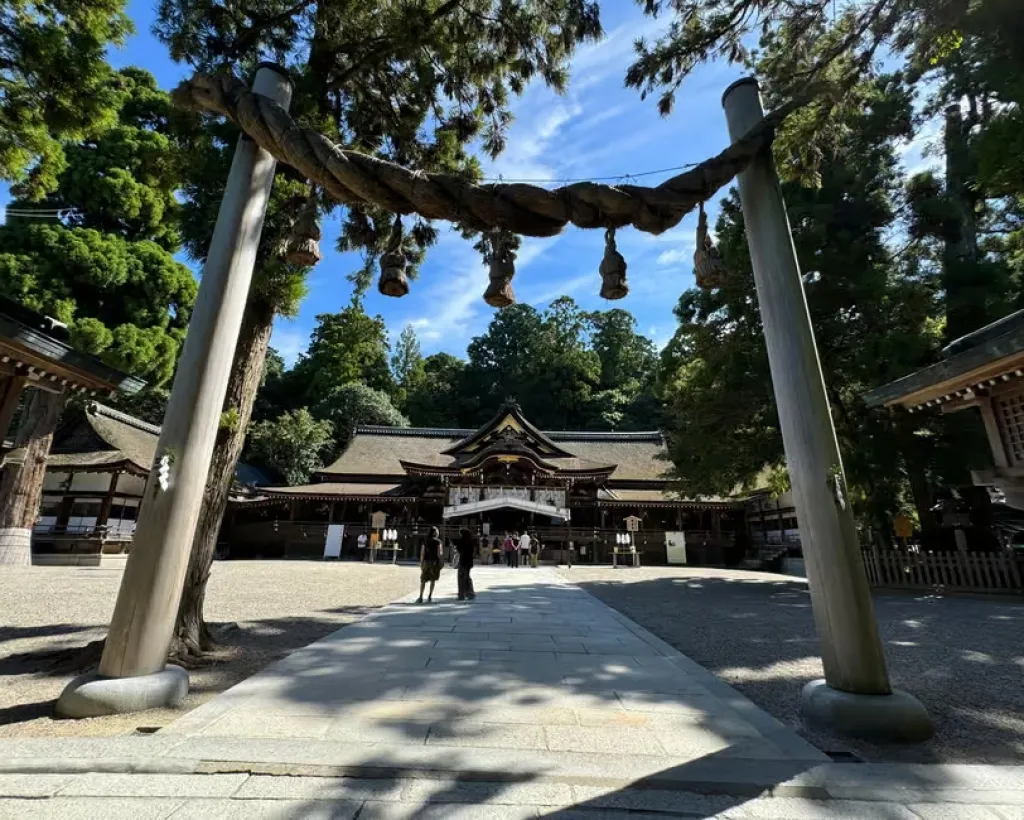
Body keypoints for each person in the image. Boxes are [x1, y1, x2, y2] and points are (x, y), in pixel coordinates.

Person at [418, 526, 443, 603]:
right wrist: (441, 562)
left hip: (426, 561)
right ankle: (429, 596)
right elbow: (440, 553)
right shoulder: (438, 542)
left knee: (423, 579)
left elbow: (422, 552)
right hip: (434, 562)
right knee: (432, 579)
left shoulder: (425, 540)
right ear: (435, 533)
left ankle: (421, 596)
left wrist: (421, 562)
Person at [456, 528, 476, 601]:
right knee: (467, 577)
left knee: (461, 577)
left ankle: (461, 594)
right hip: (469, 561)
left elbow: (458, 550)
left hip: (462, 561)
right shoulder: (471, 541)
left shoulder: (460, 541)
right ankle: (470, 593)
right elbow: (473, 552)